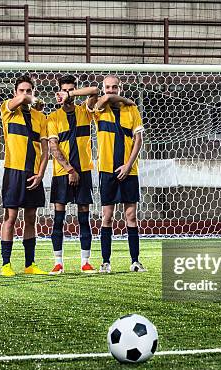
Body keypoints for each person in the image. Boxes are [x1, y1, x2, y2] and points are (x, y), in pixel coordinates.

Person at [47, 75, 100, 274]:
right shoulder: (53, 117)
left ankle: (85, 262)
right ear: (59, 92)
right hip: (62, 173)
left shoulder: (85, 111)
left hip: (84, 171)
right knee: (58, 218)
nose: (67, 93)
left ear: (74, 91)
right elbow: (53, 147)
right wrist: (70, 169)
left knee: (84, 218)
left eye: (71, 89)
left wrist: (71, 94)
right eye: (64, 90)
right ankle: (58, 263)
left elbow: (95, 91)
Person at [93, 75, 146, 273]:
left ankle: (135, 261)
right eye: (108, 87)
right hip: (106, 170)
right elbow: (105, 99)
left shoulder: (132, 110)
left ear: (120, 87)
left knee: (131, 216)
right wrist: (124, 99)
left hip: (129, 170)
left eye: (115, 87)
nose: (111, 90)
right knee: (107, 216)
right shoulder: (99, 108)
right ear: (103, 88)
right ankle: (105, 261)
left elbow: (138, 140)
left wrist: (128, 165)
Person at [0, 75, 50, 276]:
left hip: (33, 173)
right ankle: (6, 264)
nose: (25, 94)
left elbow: (45, 151)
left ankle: (30, 264)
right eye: (22, 90)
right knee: (10, 218)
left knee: (30, 218)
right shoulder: (8, 109)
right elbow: (19, 102)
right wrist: (31, 99)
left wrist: (40, 174)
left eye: (29, 91)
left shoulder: (41, 117)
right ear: (15, 93)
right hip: (13, 171)